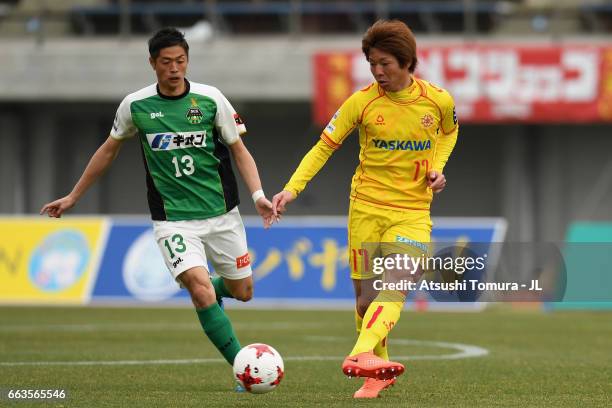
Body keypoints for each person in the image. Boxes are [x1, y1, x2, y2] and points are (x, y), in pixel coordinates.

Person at [40, 28, 275, 377]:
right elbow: (108, 150)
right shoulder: (136, 105)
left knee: (244, 291)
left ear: (188, 61)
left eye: (180, 61)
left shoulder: (211, 100)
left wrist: (258, 196)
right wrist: (74, 196)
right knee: (198, 288)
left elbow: (239, 150)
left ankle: (215, 290)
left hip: (221, 214)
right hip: (173, 219)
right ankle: (243, 367)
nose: (174, 68)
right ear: (152, 63)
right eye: (166, 62)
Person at [272, 19, 458, 398]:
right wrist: (292, 189)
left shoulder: (438, 100)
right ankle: (378, 371)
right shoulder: (362, 102)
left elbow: (449, 132)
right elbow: (324, 146)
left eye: (385, 63)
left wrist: (438, 167)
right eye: (372, 63)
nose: (377, 71)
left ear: (407, 62)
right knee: (366, 300)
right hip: (366, 209)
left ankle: (359, 354)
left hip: (412, 212)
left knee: (398, 285)